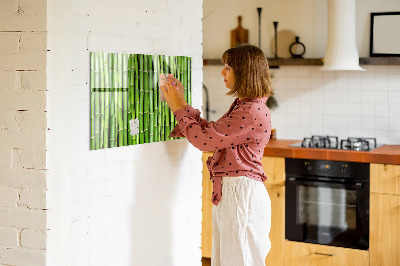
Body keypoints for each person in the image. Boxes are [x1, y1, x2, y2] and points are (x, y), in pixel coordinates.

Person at [161, 44, 273, 266]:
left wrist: (176, 108)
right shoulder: (246, 106)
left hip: (241, 195)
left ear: (244, 72)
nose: (222, 72)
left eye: (228, 67)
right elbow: (212, 133)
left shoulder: (250, 111)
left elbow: (204, 141)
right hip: (236, 193)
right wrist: (182, 103)